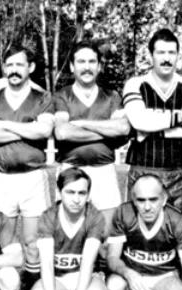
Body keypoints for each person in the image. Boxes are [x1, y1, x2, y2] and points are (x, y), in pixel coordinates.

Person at [0, 45, 54, 289]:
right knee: (4, 241)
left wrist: (4, 126)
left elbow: (44, 130)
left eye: (19, 65)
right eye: (9, 65)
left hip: (33, 177)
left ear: (30, 67)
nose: (13, 70)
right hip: (1, 178)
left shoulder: (42, 97)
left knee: (34, 241)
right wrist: (25, 130)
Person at [122, 29, 182, 216]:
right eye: (161, 52)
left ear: (177, 55)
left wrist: (147, 130)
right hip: (142, 169)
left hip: (177, 172)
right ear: (151, 55)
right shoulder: (135, 84)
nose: (166, 58)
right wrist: (181, 119)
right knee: (139, 233)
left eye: (171, 53)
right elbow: (139, 120)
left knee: (178, 234)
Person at [53, 41, 130, 227]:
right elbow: (63, 132)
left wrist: (81, 124)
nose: (86, 67)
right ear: (72, 66)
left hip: (105, 171)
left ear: (99, 66)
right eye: (81, 62)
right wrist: (106, 131)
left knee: (108, 233)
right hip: (70, 170)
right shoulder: (61, 95)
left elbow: (123, 129)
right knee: (69, 235)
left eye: (92, 61)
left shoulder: (111, 96)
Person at [29, 168, 108, 290]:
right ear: (59, 192)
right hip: (58, 279)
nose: (76, 199)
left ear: (88, 195)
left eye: (82, 193)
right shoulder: (49, 217)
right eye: (70, 192)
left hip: (86, 276)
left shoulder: (95, 217)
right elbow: (47, 264)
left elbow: (88, 262)